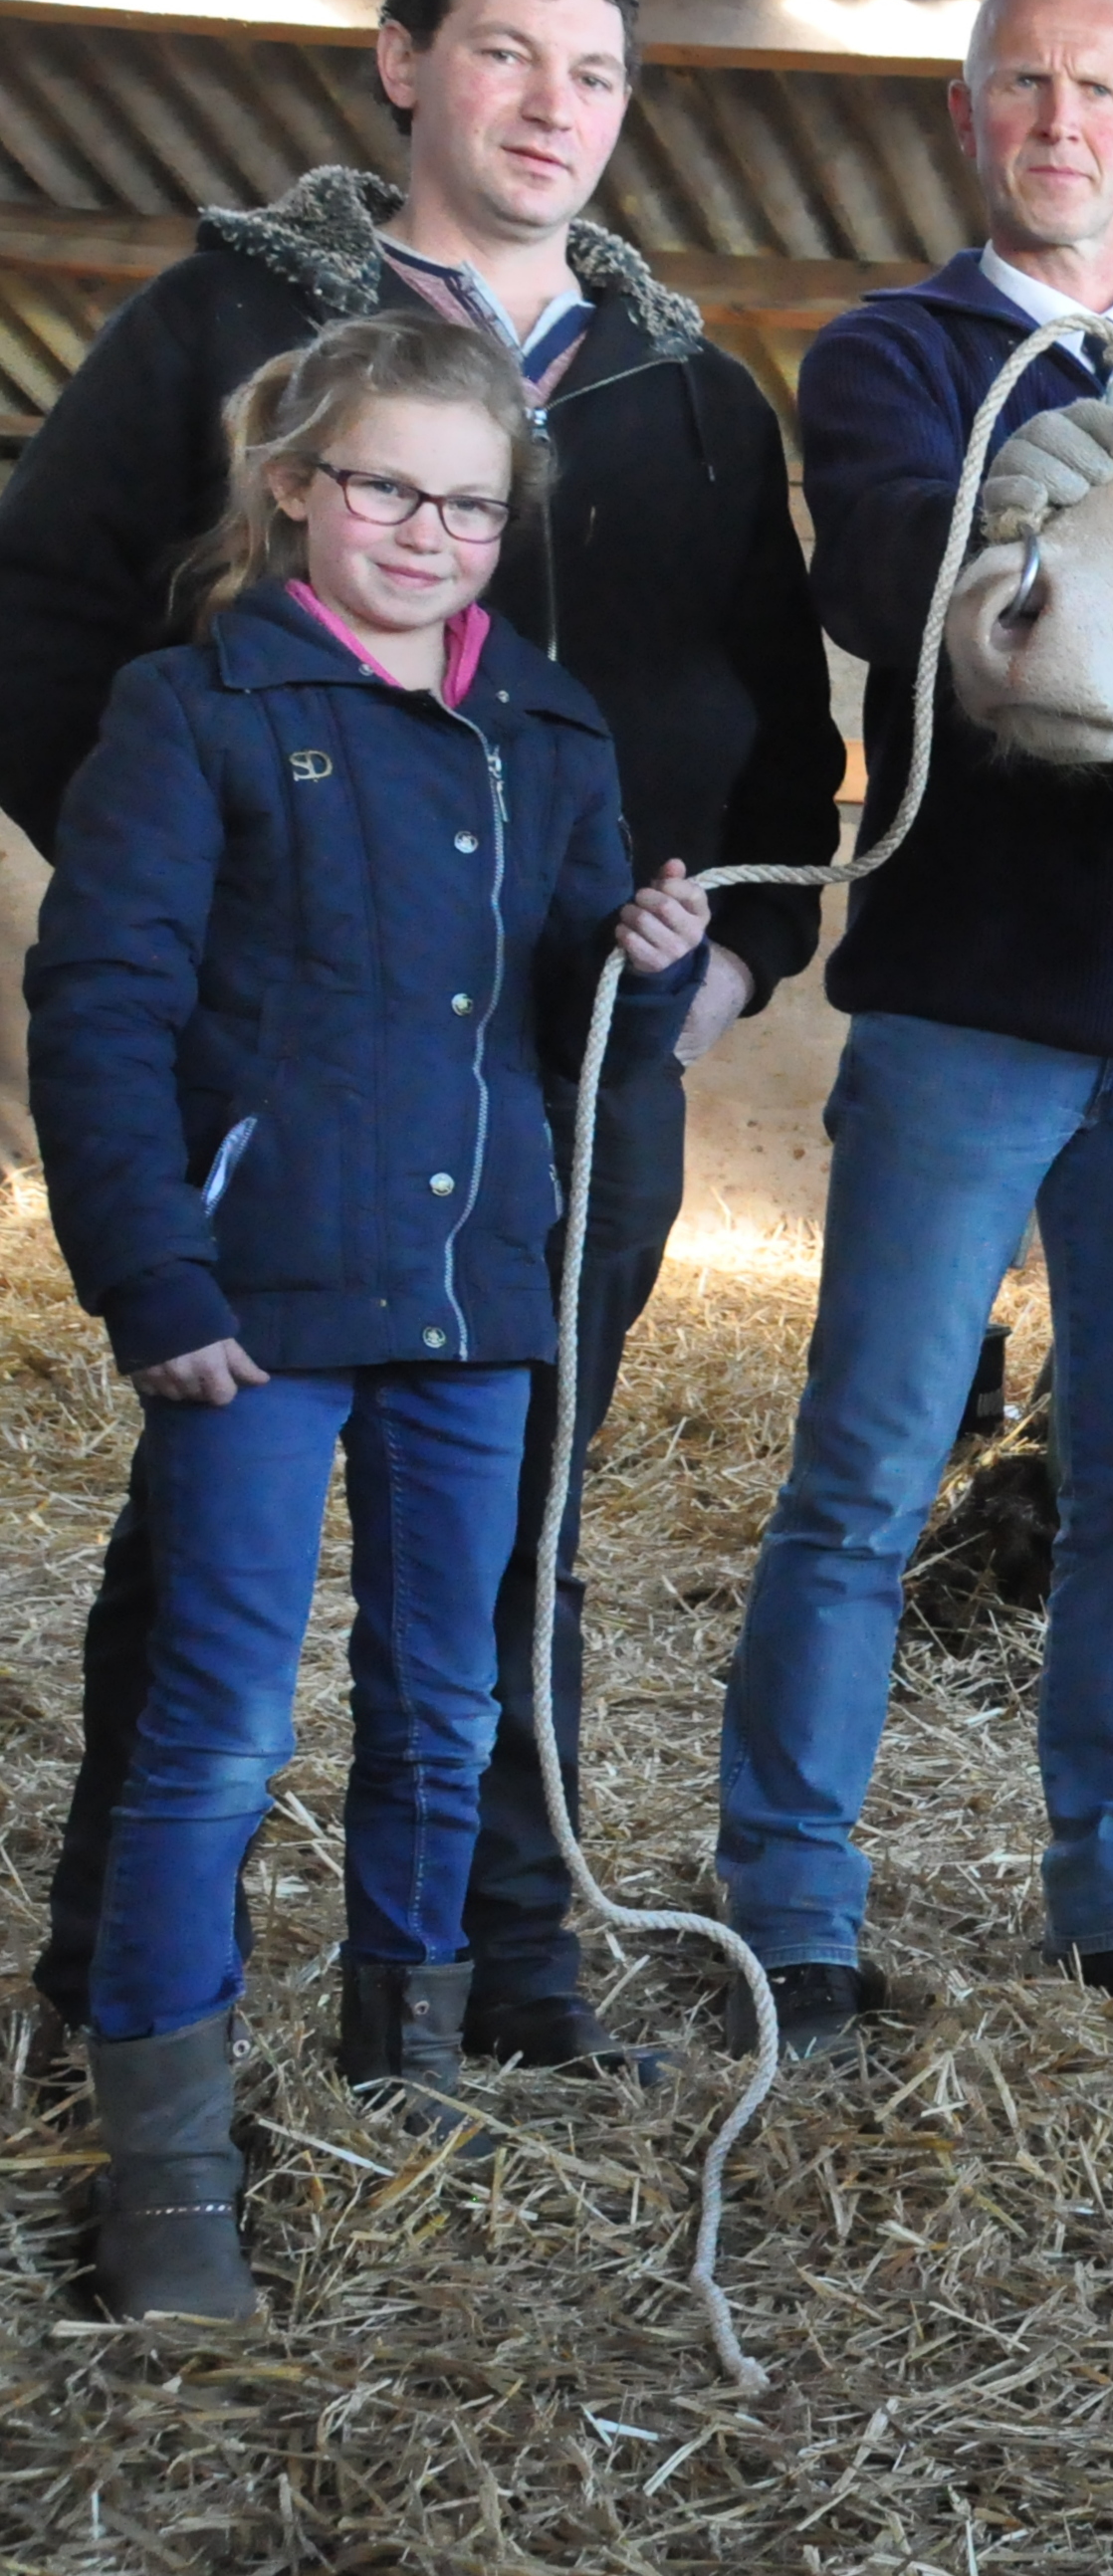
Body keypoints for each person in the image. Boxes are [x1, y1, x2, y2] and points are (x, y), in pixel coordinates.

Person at [0, 0, 844, 2079]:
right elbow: (39, 610)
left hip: (580, 1058)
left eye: (594, 71)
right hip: (287, 1070)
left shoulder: (688, 398)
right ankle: (110, 1994)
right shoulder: (229, 323)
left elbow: (781, 720)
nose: (552, 108)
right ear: (402, 65)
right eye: (503, 54)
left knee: (522, 1515)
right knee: (209, 1535)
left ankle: (505, 1983)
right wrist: (201, 901)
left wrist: (737, 968)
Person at [27, 314, 713, 2321]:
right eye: (388, 487)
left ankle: (402, 2072)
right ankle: (166, 2165)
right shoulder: (198, 708)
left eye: (470, 505)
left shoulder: (551, 730)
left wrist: (650, 968)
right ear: (295, 488)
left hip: (473, 1291)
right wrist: (152, 1274)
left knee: (445, 1702)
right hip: (254, 1304)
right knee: (218, 1727)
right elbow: (101, 1007)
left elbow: (572, 1036)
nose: (428, 532)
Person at [711, 0, 1113, 2058]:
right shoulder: (891, 355)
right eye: (1019, 84)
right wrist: (1068, 490)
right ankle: (792, 1900)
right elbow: (890, 590)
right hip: (962, 1001)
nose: (1057, 120)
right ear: (969, 120)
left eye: (1095, 88)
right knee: (867, 1473)